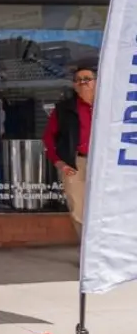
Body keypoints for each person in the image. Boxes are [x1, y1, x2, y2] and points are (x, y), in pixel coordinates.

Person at [42, 61, 97, 237]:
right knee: (77, 206)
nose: (83, 82)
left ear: (97, 82)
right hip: (75, 163)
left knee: (107, 204)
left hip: (104, 161)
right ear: (74, 85)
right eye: (79, 80)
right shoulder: (64, 109)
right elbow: (48, 138)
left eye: (87, 79)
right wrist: (60, 163)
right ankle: (86, 252)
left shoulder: (110, 106)